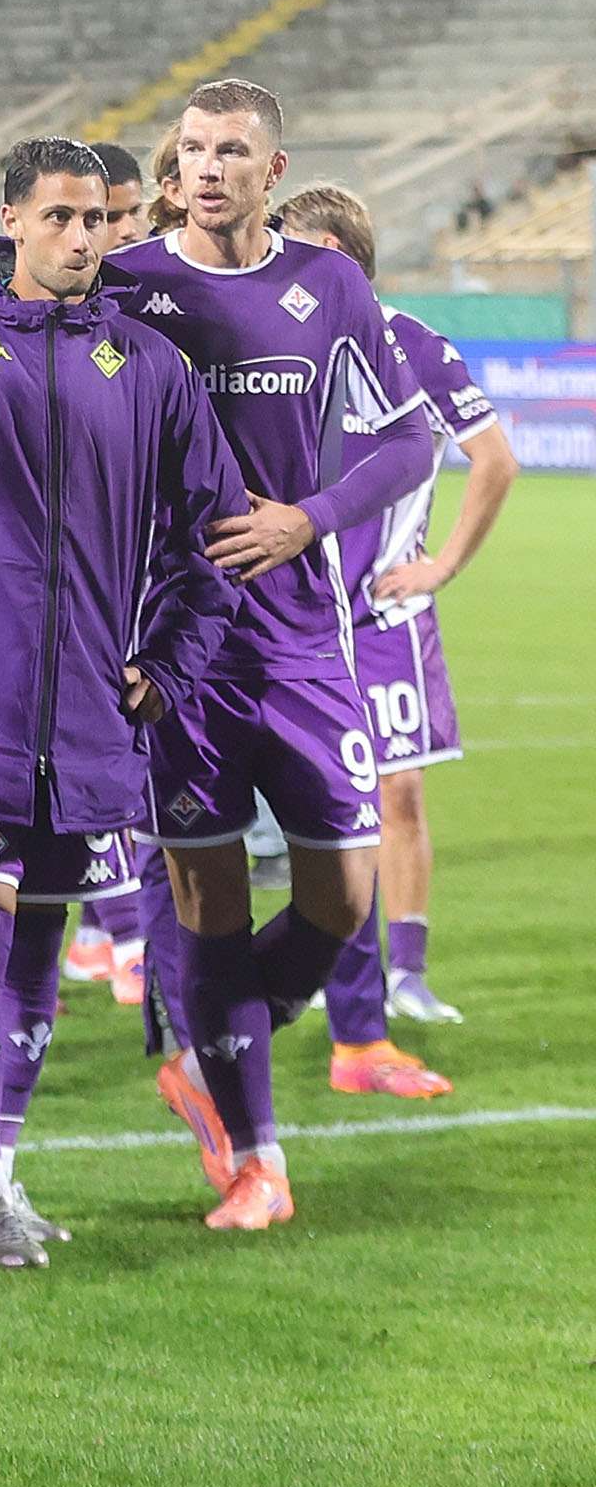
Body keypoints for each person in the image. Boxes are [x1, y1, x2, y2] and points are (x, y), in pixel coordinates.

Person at [106, 80, 436, 1231]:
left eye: (231, 150)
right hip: (180, 644)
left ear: (274, 168)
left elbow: (407, 443)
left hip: (302, 638)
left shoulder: (327, 283)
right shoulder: (130, 283)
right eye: (192, 149)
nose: (207, 168)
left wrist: (308, 517)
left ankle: (214, 1041)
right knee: (206, 894)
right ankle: (258, 1158)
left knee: (344, 890)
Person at [0, 141, 238, 1265]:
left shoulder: (150, 365)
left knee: (42, 951)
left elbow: (215, 541)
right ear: (11, 219)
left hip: (96, 716)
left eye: (99, 219)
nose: (83, 238)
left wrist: (169, 662)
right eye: (59, 217)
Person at [276, 182, 517, 1065]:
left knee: (397, 795)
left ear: (336, 253)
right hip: (300, 613)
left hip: (387, 620)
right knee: (314, 811)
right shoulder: (279, 346)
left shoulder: (414, 344)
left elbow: (495, 459)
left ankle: (401, 973)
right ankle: (322, 980)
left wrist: (441, 564)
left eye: (297, 247)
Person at [62, 138, 164, 1001]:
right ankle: (117, 932)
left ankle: (114, 931)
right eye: (101, 215)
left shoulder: (168, 313)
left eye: (123, 215)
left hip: (157, 574)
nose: (114, 231)